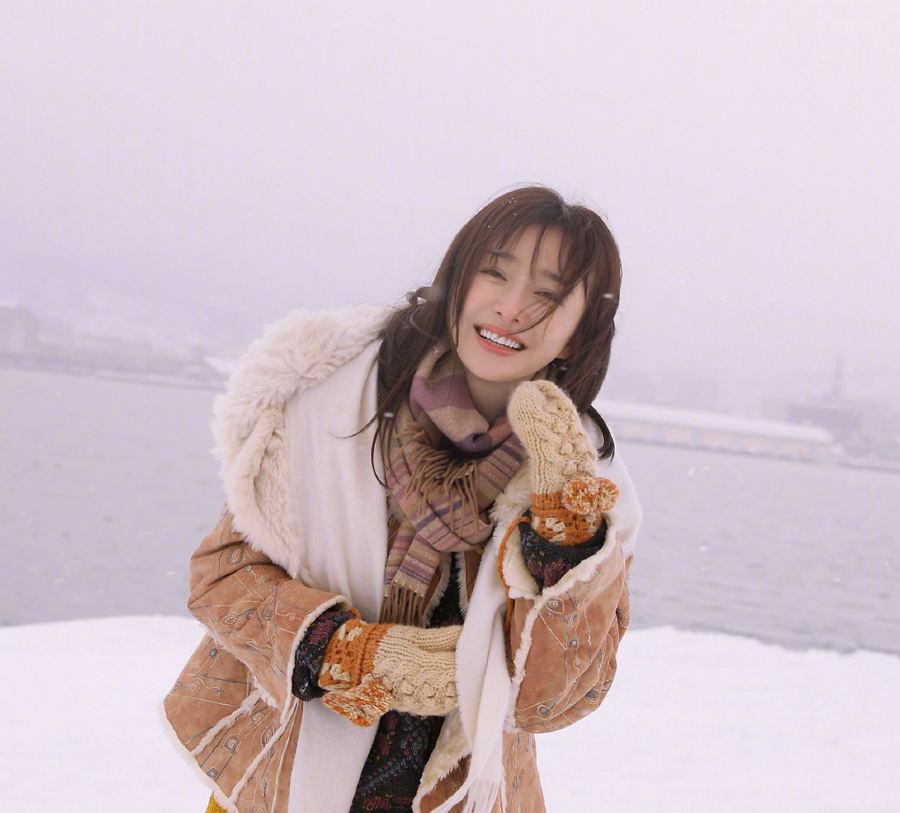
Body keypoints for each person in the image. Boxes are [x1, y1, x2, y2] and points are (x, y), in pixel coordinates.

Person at [162, 186, 642, 813]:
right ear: (457, 281)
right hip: (282, 782)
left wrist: (564, 528)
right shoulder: (332, 404)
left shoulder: (589, 482)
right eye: (495, 272)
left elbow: (552, 701)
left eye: (548, 295)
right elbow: (222, 576)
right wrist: (350, 652)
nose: (511, 307)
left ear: (579, 334)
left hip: (455, 796)